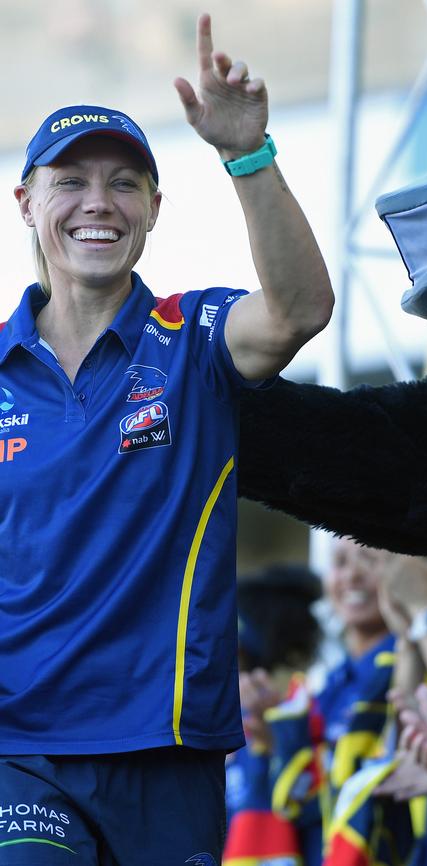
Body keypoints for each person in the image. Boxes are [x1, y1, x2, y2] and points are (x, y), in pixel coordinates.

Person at [0, 12, 333, 866]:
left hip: (173, 750)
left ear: (154, 207)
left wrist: (248, 155)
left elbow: (299, 310)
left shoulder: (193, 335)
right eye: (69, 181)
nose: (97, 204)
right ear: (26, 200)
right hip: (22, 749)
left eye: (123, 183)